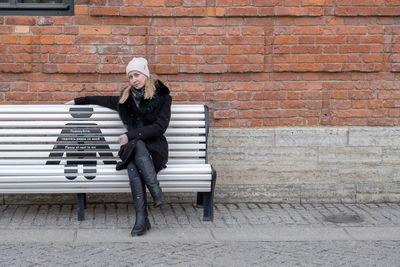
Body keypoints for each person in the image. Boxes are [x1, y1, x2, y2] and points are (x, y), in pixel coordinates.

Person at [65, 57, 172, 236]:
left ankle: (143, 216)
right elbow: (102, 100)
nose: (134, 80)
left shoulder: (162, 97)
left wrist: (130, 135)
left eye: (137, 75)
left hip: (155, 149)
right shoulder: (125, 99)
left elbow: (160, 128)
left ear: (145, 74)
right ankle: (151, 200)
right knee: (134, 154)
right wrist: (77, 101)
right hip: (133, 149)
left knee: (133, 154)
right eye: (130, 77)